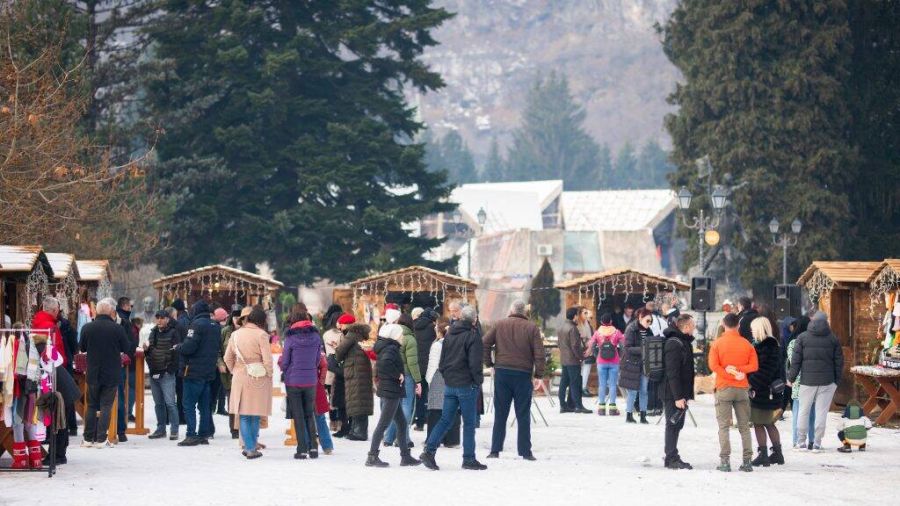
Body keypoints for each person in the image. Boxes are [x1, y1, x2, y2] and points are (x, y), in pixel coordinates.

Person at [420, 306, 486, 471]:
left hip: (449, 384)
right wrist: (478, 381)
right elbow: (475, 363)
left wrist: (447, 376)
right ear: (474, 320)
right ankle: (469, 458)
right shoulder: (473, 336)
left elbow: (442, 362)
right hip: (466, 384)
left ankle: (429, 451)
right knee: (469, 423)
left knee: (445, 420)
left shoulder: (449, 334)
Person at [482, 300, 546, 460]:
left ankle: (495, 450)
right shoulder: (532, 327)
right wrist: (538, 374)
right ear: (524, 312)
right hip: (523, 374)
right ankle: (525, 451)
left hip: (502, 372)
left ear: (511, 310)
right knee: (523, 414)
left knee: (500, 413)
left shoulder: (499, 324)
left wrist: (489, 363)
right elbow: (539, 353)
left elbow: (484, 343)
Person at [708, 313, 759, 472]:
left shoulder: (717, 344)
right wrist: (740, 372)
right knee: (744, 426)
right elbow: (754, 366)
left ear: (723, 324)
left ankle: (725, 462)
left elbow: (713, 366)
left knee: (724, 426)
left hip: (723, 388)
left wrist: (728, 372)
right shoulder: (746, 344)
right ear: (738, 325)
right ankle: (747, 461)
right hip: (742, 388)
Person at [787, 311, 843, 453]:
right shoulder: (833, 339)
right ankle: (817, 443)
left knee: (803, 411)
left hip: (807, 382)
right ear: (826, 321)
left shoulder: (802, 337)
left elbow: (795, 362)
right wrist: (836, 380)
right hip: (827, 382)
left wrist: (791, 378)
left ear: (812, 321)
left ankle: (801, 442)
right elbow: (839, 362)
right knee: (821, 413)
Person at [366, 324, 421, 467]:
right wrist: (398, 375)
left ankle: (405, 456)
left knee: (402, 423)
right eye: (400, 335)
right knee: (383, 424)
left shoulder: (388, 347)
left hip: (390, 389)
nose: (402, 337)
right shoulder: (391, 349)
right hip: (391, 391)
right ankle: (372, 456)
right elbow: (384, 364)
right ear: (394, 336)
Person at [80, 298, 131, 448]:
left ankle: (88, 438)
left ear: (97, 311)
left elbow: (82, 348)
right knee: (106, 406)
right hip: (111, 373)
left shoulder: (87, 328)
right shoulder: (117, 329)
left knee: (91, 405)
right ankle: (102, 439)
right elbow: (126, 348)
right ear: (111, 312)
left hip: (93, 372)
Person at [224, 306, 273, 459]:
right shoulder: (262, 335)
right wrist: (269, 375)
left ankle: (249, 446)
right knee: (255, 413)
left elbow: (227, 358)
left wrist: (235, 371)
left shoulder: (235, 334)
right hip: (258, 377)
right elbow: (268, 360)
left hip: (239, 375)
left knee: (244, 414)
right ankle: (252, 447)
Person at [177, 300, 221, 446]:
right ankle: (204, 434)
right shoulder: (215, 326)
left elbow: (189, 347)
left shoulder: (196, 325)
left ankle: (191, 434)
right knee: (204, 405)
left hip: (193, 371)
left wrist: (179, 347)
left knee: (188, 404)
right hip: (208, 372)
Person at [279, 309, 323, 459]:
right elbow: (318, 359)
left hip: (293, 380)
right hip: (311, 379)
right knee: (310, 413)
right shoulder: (316, 336)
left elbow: (285, 361)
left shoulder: (290, 338)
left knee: (298, 415)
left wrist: (286, 369)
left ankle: (302, 449)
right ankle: (314, 448)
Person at [747, 317, 785, 467]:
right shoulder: (772, 345)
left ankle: (764, 454)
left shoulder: (767, 346)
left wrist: (752, 383)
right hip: (768, 391)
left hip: (763, 392)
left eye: (753, 328)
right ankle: (777, 453)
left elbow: (765, 371)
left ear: (760, 328)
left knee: (759, 423)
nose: (751, 331)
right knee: (768, 423)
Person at [661, 314, 696, 470]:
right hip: (672, 393)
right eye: (693, 325)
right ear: (686, 327)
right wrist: (678, 397)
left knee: (677, 423)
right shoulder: (674, 343)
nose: (694, 328)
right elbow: (672, 372)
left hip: (679, 392)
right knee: (673, 424)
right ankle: (671, 457)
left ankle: (671, 455)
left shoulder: (683, 341)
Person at [383, 313, 421, 447]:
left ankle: (388, 438)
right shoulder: (410, 339)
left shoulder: (392, 335)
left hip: (394, 374)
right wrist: (418, 380)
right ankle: (402, 438)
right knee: (406, 406)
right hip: (407, 375)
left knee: (393, 407)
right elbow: (412, 363)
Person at [334, 320, 374, 441]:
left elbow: (339, 352)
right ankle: (357, 430)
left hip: (355, 371)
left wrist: (336, 349)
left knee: (356, 400)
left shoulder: (351, 334)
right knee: (361, 400)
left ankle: (359, 432)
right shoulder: (362, 335)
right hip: (363, 371)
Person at [145, 310, 181, 440]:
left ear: (167, 319)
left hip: (167, 374)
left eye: (162, 318)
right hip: (154, 372)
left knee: (170, 403)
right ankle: (161, 429)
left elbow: (177, 353)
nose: (159, 320)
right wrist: (147, 356)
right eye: (157, 318)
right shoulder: (153, 333)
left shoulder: (174, 333)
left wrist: (170, 370)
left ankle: (174, 430)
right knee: (158, 404)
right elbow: (149, 353)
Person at [426, 316, 460, 447]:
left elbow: (433, 364)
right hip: (453, 376)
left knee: (436, 408)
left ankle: (434, 438)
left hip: (438, 376)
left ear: (439, 330)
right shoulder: (455, 342)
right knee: (451, 407)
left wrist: (428, 379)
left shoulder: (437, 345)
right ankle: (452, 439)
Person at [785, 316, 815, 449]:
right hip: (813, 381)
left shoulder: (793, 343)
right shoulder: (814, 342)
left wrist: (790, 378)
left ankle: (796, 440)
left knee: (797, 412)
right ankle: (812, 440)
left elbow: (793, 363)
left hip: (798, 382)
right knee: (812, 413)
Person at [587, 313, 625, 416]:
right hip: (614, 361)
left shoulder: (597, 333)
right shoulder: (616, 332)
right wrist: (620, 355)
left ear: (601, 322)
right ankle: (612, 408)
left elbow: (591, 344)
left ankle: (601, 408)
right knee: (612, 385)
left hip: (601, 362)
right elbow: (623, 345)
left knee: (602, 385)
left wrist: (597, 355)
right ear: (611, 321)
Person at [621, 308, 653, 424]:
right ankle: (629, 414)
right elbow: (627, 348)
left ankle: (643, 415)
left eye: (651, 321)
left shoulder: (649, 331)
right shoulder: (631, 329)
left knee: (644, 391)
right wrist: (643, 349)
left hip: (645, 365)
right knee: (633, 391)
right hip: (632, 364)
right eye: (647, 320)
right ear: (640, 317)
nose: (649, 323)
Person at [114, 297, 139, 441]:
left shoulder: (121, 320)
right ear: (125, 306)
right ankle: (120, 430)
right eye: (131, 305)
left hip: (101, 366)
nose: (132, 307)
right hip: (120, 364)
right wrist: (128, 356)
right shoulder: (124, 322)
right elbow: (129, 344)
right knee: (120, 396)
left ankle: (98, 430)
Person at [558, 306, 590, 414]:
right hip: (572, 360)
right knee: (575, 383)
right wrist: (582, 357)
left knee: (564, 382)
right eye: (577, 315)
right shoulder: (573, 328)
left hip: (564, 359)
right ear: (575, 316)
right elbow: (575, 346)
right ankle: (578, 406)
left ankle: (563, 405)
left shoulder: (561, 326)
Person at [328, 313, 356, 437]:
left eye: (341, 323)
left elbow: (345, 353)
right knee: (342, 402)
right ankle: (345, 427)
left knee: (346, 402)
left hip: (346, 371)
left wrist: (336, 350)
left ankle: (347, 427)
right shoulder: (345, 335)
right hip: (343, 372)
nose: (339, 326)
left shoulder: (350, 337)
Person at [413, 307, 438, 431]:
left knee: (420, 394)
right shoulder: (433, 329)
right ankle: (430, 419)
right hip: (430, 366)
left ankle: (419, 422)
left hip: (417, 366)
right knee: (431, 394)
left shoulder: (414, 326)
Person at [219, 307, 242, 439]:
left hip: (244, 371)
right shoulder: (225, 332)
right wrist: (220, 363)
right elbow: (218, 350)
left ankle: (244, 427)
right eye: (235, 318)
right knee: (232, 401)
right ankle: (234, 429)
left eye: (240, 318)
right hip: (228, 372)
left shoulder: (247, 332)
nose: (237, 320)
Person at [578, 307, 595, 397]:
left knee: (586, 370)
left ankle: (583, 387)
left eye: (591, 317)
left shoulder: (589, 326)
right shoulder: (579, 325)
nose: (590, 319)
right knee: (581, 370)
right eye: (589, 316)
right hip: (581, 350)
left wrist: (590, 348)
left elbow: (592, 338)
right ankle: (581, 388)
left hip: (588, 350)